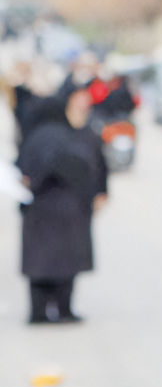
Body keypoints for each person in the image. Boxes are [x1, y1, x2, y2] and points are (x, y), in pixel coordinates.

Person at [17, 82, 108, 324]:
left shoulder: (33, 137)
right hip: (69, 208)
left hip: (38, 209)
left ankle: (38, 312)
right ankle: (64, 310)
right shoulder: (69, 136)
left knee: (37, 264)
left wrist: (31, 183)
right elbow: (85, 169)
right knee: (67, 263)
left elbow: (24, 170)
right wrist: (92, 195)